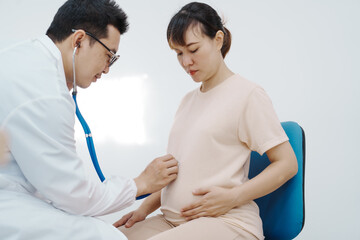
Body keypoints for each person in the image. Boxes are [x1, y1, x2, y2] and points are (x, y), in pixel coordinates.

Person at [114, 2, 298, 240]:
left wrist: (234, 196)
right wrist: (143, 209)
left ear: (218, 39)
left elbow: (287, 164)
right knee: (103, 236)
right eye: (179, 53)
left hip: (228, 222)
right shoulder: (187, 101)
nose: (185, 62)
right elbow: (181, 173)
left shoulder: (248, 95)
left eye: (193, 49)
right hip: (172, 221)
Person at [0, 0, 178, 239]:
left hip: (13, 190)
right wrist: (141, 183)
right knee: (105, 236)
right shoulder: (45, 94)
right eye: (108, 55)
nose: (107, 69)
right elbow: (74, 196)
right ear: (79, 40)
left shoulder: (21, 56)